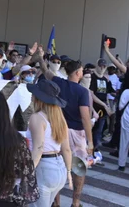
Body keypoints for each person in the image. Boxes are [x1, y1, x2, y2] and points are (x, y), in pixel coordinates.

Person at [41, 58, 92, 207]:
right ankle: (75, 202)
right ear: (77, 73)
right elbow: (85, 117)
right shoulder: (82, 91)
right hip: (76, 132)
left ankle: (56, 202)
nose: (82, 72)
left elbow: (46, 72)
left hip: (58, 128)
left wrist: (40, 59)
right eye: (82, 70)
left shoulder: (59, 82)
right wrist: (91, 141)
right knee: (79, 167)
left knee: (59, 165)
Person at [27, 80, 72, 207]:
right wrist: (68, 172)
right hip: (60, 168)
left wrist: (28, 172)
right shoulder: (60, 119)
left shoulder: (37, 118)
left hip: (44, 166)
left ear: (39, 98)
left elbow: (38, 148)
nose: (32, 96)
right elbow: (67, 149)